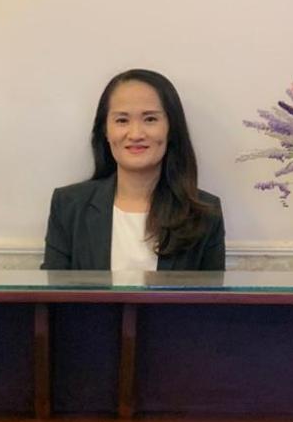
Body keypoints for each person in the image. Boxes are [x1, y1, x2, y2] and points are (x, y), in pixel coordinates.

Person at [42, 69, 225, 272]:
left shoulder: (205, 213)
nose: (136, 134)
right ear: (105, 130)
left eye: (150, 119)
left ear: (171, 128)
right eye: (122, 120)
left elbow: (213, 292)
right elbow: (53, 290)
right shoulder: (68, 206)